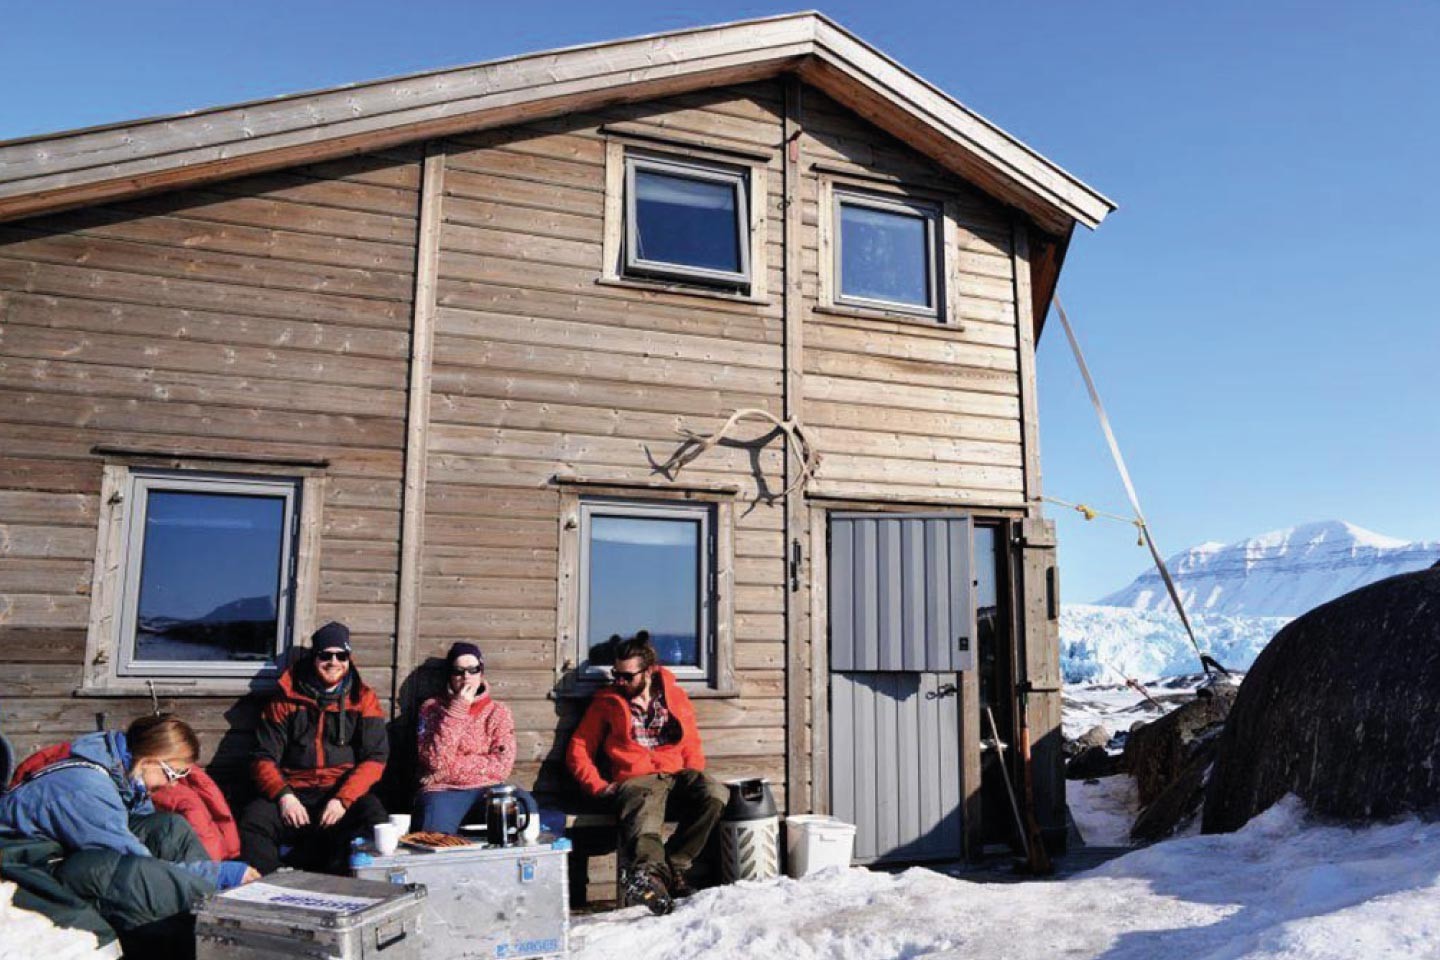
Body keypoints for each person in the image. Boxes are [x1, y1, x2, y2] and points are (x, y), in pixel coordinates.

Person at [0, 714, 256, 954]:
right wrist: (219, 874)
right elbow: (139, 862)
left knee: (169, 828)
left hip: (64, 850)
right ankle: (197, 926)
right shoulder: (87, 789)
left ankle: (197, 916)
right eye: (173, 774)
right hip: (26, 867)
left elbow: (147, 829)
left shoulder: (122, 772)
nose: (174, 783)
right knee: (135, 875)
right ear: (149, 761)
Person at [565, 630, 728, 915]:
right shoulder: (608, 701)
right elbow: (579, 747)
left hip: (676, 774)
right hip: (635, 779)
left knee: (715, 794)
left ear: (649, 671)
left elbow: (690, 741)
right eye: (616, 674)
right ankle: (652, 881)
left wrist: (693, 772)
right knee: (644, 821)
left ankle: (674, 865)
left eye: (627, 676)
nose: (619, 681)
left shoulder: (673, 696)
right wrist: (598, 786)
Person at [239, 621, 390, 874]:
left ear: (348, 658)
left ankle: (349, 885)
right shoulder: (285, 698)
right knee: (254, 820)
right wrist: (284, 796)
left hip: (340, 791)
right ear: (314, 657)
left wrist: (343, 799)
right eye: (325, 655)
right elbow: (263, 756)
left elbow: (375, 758)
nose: (334, 662)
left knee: (374, 818)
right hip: (294, 791)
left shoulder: (362, 698)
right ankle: (268, 888)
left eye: (341, 655)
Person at [411, 642, 536, 835]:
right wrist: (457, 710)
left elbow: (502, 766)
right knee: (434, 831)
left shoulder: (498, 712)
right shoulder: (431, 709)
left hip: (488, 789)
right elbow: (435, 762)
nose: (466, 677)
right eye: (458, 671)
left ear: (481, 672)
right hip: (444, 790)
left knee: (524, 806)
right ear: (449, 675)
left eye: (473, 670)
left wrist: (446, 769)